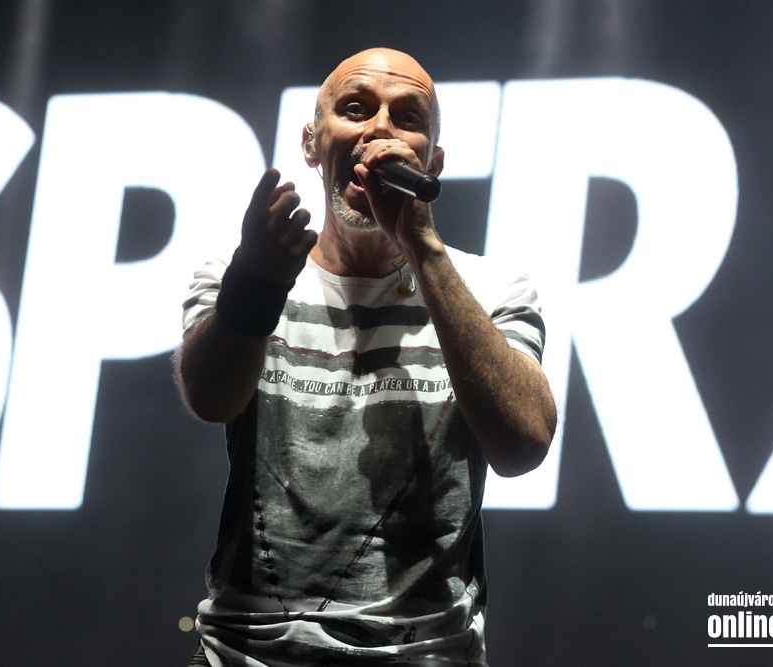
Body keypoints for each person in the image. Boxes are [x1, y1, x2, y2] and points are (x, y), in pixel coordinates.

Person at [175, 47, 557, 667]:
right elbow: (210, 397)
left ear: (433, 162)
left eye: (406, 118)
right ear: (311, 143)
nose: (379, 130)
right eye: (355, 109)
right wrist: (255, 287)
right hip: (246, 653)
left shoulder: (492, 290)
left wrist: (421, 244)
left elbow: (524, 445)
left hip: (427, 654)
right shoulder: (238, 273)